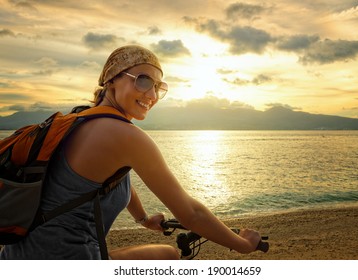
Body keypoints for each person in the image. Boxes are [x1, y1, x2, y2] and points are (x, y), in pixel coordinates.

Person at [0, 45, 261, 260]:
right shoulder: (125, 135)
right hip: (67, 261)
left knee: (165, 254)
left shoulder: (79, 119)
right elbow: (191, 214)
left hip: (15, 257)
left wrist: (143, 218)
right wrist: (242, 244)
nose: (152, 94)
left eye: (158, 87)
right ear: (112, 79)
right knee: (169, 258)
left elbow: (112, 179)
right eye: (143, 81)